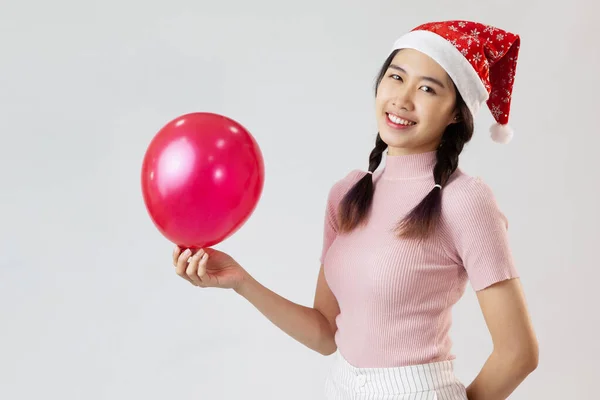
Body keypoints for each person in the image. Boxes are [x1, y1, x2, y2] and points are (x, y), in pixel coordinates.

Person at [171, 20, 539, 400]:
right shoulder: (346, 194)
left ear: (456, 114)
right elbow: (325, 333)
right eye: (396, 77)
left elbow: (518, 354)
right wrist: (240, 281)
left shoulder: (464, 200)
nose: (403, 98)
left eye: (428, 89)